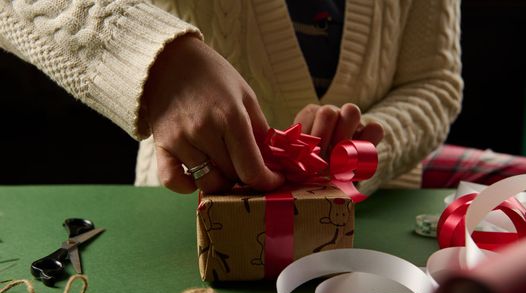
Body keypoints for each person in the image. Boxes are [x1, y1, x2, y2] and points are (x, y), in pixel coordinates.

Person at [0, 0, 462, 194]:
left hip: (378, 231)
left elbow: (436, 81)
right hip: (185, 215)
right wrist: (159, 62)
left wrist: (364, 155)